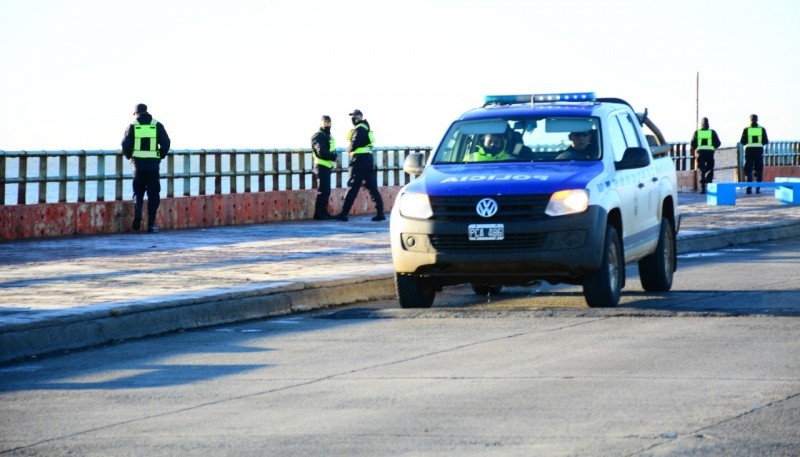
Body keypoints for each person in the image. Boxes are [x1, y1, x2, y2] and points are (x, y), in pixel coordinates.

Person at [121, 103, 171, 233]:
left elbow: (125, 144)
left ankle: (138, 215)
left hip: (137, 165)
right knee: (153, 194)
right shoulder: (157, 125)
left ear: (135, 113)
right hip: (153, 165)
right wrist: (160, 156)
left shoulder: (132, 126)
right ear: (147, 111)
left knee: (138, 192)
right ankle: (151, 224)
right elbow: (166, 143)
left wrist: (130, 156)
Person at [333, 109, 385, 222]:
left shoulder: (360, 128)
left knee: (352, 187)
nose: (353, 118)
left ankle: (344, 213)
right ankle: (380, 213)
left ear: (361, 116)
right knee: (372, 187)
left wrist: (348, 150)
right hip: (368, 159)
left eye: (355, 116)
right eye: (352, 116)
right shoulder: (366, 127)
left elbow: (355, 143)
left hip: (358, 161)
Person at [311, 115, 338, 220]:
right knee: (322, 190)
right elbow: (320, 152)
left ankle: (324, 212)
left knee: (326, 190)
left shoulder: (328, 136)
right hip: (320, 166)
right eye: (325, 122)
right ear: (321, 123)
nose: (327, 124)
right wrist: (334, 158)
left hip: (327, 166)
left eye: (328, 122)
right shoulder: (318, 135)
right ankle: (319, 214)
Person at [690, 117, 722, 194]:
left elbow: (692, 144)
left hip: (700, 153)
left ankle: (703, 189)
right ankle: (710, 187)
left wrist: (697, 148)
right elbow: (718, 143)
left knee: (702, 170)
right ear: (708, 124)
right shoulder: (712, 132)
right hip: (710, 153)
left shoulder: (697, 132)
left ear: (701, 124)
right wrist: (713, 147)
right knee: (710, 169)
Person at [740, 114, 769, 194]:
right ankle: (758, 188)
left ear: (750, 120)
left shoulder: (746, 129)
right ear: (757, 120)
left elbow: (742, 141)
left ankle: (748, 188)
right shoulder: (762, 129)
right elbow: (766, 141)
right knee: (759, 169)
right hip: (759, 150)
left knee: (748, 169)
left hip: (749, 150)